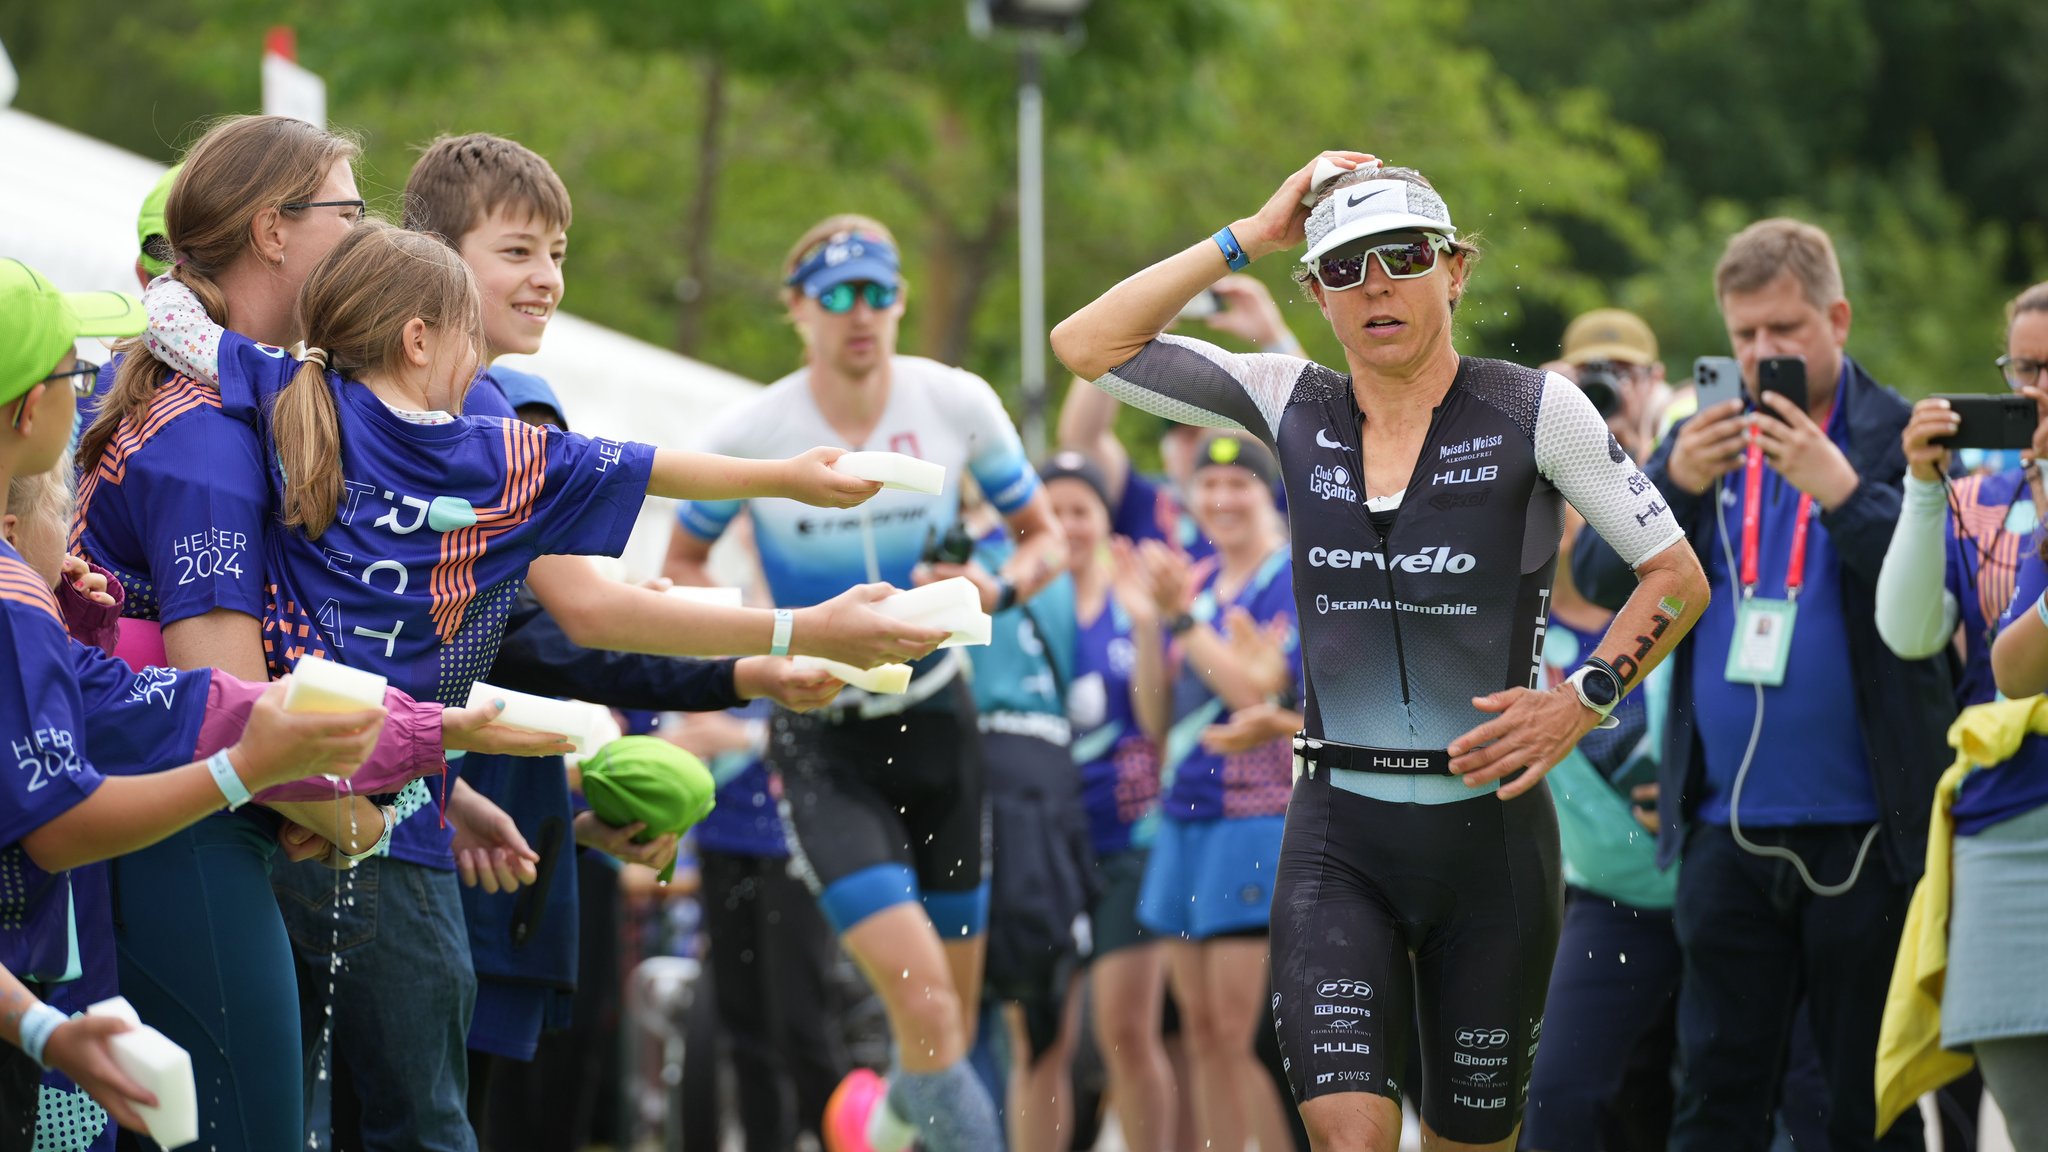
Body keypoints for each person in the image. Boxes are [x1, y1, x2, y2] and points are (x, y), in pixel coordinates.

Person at [139, 217, 942, 1152]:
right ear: (419, 340)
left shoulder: (291, 389)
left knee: (306, 1109)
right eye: (469, 338)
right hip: (383, 804)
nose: (482, 364)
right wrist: (792, 482)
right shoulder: (495, 455)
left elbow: (172, 324)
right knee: (425, 1121)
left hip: (297, 775)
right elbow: (656, 471)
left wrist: (176, 253)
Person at [1052, 152, 1706, 1152]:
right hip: (1336, 842)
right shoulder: (1285, 399)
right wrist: (1248, 236)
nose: (1376, 286)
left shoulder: (1535, 408)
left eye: (1402, 256)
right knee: (1349, 1138)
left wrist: (1581, 698)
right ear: (1314, 293)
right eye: (1345, 267)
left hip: (1490, 845)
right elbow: (1086, 342)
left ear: (1454, 270)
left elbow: (1675, 576)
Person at [664, 214, 1065, 1152]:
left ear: (900, 303)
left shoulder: (955, 402)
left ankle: (877, 1129)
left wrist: (989, 585)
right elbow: (682, 565)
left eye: (878, 292)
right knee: (924, 1008)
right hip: (823, 739)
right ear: (796, 310)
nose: (860, 313)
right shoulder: (755, 429)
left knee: (948, 1037)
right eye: (836, 295)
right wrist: (767, 646)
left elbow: (1043, 536)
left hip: (939, 726)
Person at [1572, 218, 1950, 1152]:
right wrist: (1672, 481)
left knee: (1870, 1103)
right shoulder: (1704, 438)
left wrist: (1845, 491)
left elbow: (1940, 612)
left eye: (1785, 331)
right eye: (1744, 336)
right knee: (1715, 1094)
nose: (1763, 354)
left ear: (1838, 318)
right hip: (1724, 831)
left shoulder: (1895, 433)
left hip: (1868, 831)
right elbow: (1590, 578)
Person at [0, 258, 390, 1149]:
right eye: (72, 372)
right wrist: (249, 769)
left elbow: (105, 698)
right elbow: (57, 820)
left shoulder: (30, 594)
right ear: (30, 413)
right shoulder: (202, 448)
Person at [1114, 431, 1298, 1152]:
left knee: (1242, 1033)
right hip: (1183, 818)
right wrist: (1147, 619)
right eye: (1208, 487)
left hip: (1254, 818)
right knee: (1198, 1032)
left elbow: (1255, 689)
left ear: (1266, 494)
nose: (1221, 500)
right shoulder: (1190, 580)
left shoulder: (1287, 576)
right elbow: (1157, 719)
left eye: (1239, 486)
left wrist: (1183, 621)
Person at [1911, 282, 2048, 1150]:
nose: (2038, 391)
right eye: (2025, 368)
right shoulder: (1994, 498)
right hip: (2006, 827)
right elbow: (2010, 666)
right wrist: (1924, 494)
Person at [1041, 450, 1177, 1152]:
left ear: (1102, 520)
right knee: (1041, 1037)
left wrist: (1150, 627)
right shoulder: (1016, 607)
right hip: (1041, 840)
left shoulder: (1130, 606)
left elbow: (1157, 726)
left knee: (1126, 1033)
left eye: (1079, 510)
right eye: (1051, 510)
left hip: (1130, 838)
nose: (1065, 525)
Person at [1057, 272, 1307, 560]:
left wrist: (1273, 336)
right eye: (1185, 434)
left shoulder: (1268, 499)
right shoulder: (1148, 504)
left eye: (1206, 426)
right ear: (1166, 451)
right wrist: (1118, 339)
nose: (1201, 445)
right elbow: (1082, 441)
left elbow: (1313, 430)